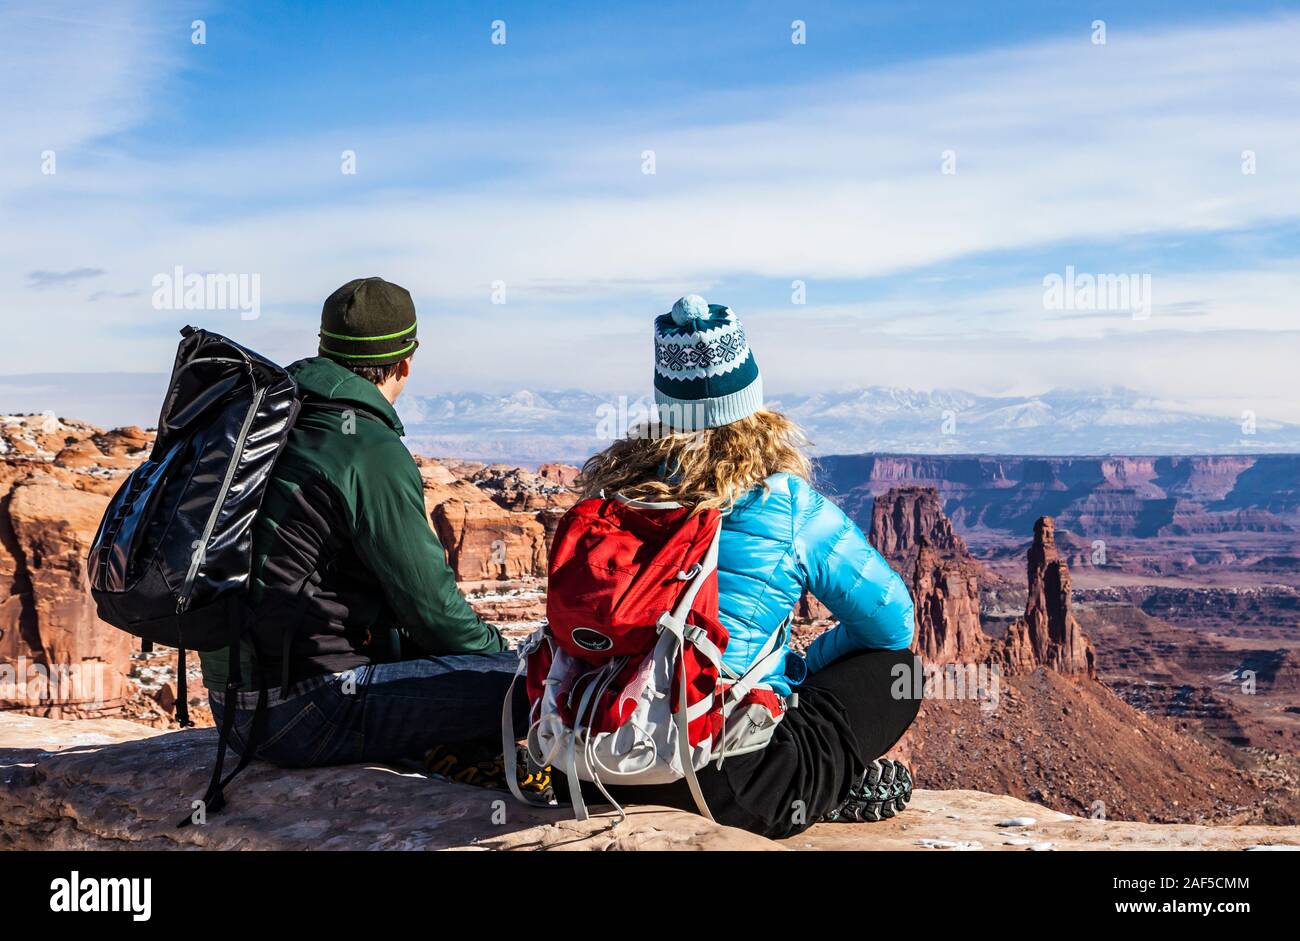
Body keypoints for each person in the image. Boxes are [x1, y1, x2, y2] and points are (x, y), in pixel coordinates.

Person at [568, 294, 921, 839]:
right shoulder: (785, 503)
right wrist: (800, 665)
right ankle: (831, 788)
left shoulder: (610, 499)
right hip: (731, 790)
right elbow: (893, 624)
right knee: (902, 672)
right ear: (753, 407)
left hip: (600, 770)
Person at [200, 277, 527, 772]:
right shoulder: (366, 447)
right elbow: (431, 606)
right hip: (309, 712)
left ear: (324, 348)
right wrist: (500, 661)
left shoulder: (268, 416)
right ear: (405, 362)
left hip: (232, 711)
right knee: (549, 688)